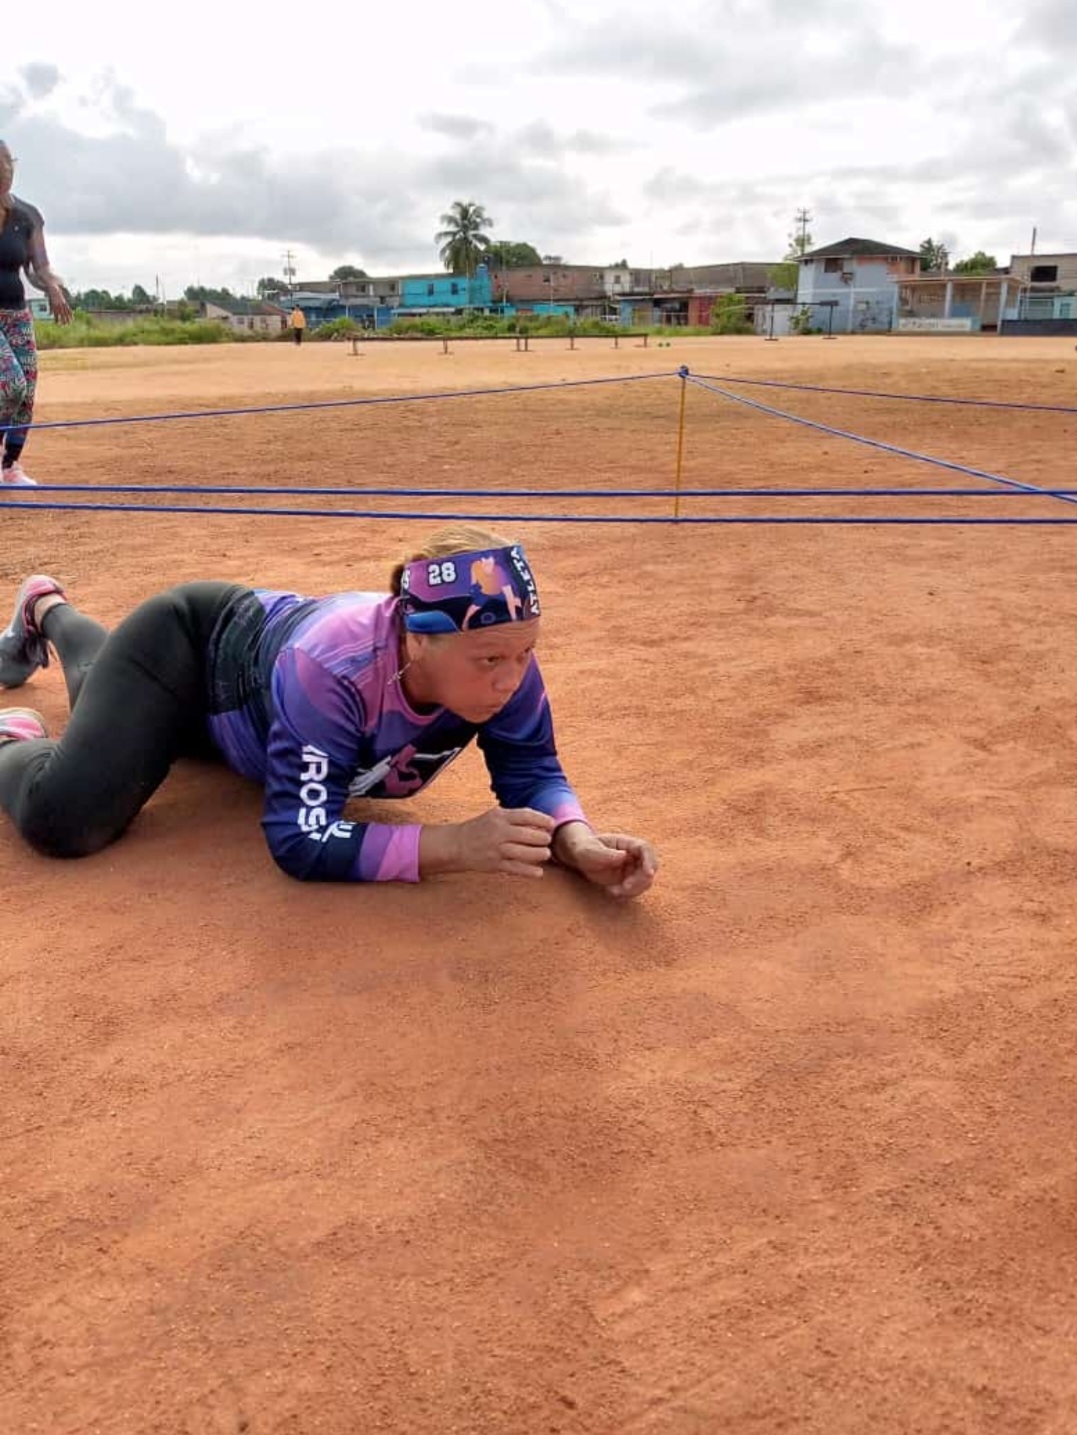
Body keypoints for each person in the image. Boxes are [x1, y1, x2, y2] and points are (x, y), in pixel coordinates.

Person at [0, 526, 658, 896]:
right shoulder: (334, 664)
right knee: (68, 817)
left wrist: (576, 841)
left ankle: (46, 609)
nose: (512, 677)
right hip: (189, 651)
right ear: (418, 640)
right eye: (491, 660)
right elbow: (300, 837)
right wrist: (452, 845)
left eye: (525, 653)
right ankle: (14, 737)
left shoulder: (498, 650)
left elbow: (531, 766)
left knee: (107, 705)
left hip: (244, 721)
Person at [0, 140, 72, 487]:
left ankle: (9, 467)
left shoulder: (27, 216)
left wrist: (53, 287)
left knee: (26, 391)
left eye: (8, 171)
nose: (5, 178)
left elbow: (37, 268)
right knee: (11, 384)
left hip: (16, 313)